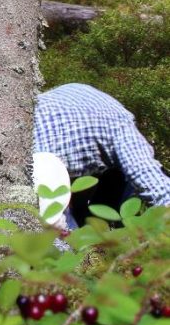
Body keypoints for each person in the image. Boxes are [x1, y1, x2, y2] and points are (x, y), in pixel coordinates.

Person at [34, 83, 170, 227]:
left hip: (28, 150)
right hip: (43, 169)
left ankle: (93, 228)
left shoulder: (92, 104)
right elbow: (152, 180)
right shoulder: (122, 126)